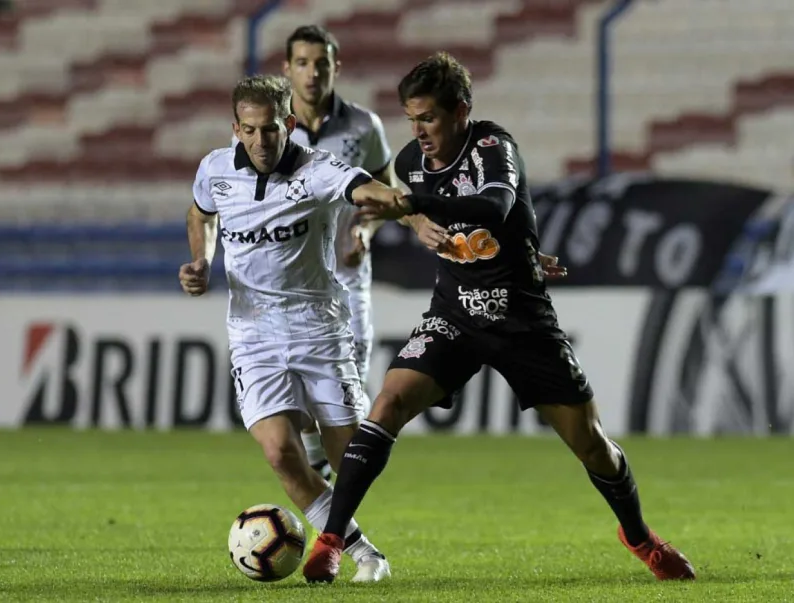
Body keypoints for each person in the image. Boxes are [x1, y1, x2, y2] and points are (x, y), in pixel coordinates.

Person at [302, 52, 696, 583]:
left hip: (522, 320)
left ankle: (639, 536)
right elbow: (406, 196)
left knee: (590, 443)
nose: (418, 131)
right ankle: (330, 541)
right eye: (411, 118)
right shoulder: (412, 160)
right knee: (388, 402)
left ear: (461, 110)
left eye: (430, 118)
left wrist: (415, 206)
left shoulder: (491, 146)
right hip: (454, 317)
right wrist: (416, 220)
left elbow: (494, 207)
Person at [178, 74, 396, 582]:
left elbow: (363, 186)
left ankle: (336, 524)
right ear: (236, 128)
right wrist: (200, 261)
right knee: (279, 451)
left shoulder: (316, 170)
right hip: (253, 334)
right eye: (249, 131)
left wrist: (403, 208)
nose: (260, 142)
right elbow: (199, 213)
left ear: (288, 125)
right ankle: (363, 554)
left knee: (351, 460)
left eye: (271, 130)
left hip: (318, 327)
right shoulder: (215, 169)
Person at [281, 24, 394, 482]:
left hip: (348, 278)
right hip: (296, 281)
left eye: (321, 64)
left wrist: (366, 228)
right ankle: (320, 470)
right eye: (303, 63)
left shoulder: (364, 126)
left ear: (335, 68)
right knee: (304, 394)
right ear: (287, 69)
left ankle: (324, 477)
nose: (312, 74)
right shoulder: (269, 131)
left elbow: (387, 192)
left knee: (348, 391)